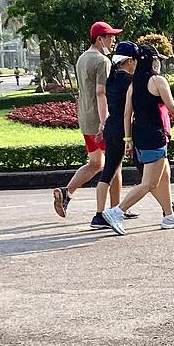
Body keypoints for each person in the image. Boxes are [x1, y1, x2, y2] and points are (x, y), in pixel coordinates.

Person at [102, 44, 174, 235]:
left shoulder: (134, 84)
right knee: (149, 183)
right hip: (154, 136)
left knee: (165, 175)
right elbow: (172, 109)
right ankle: (117, 211)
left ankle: (168, 215)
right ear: (151, 61)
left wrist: (128, 139)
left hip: (140, 134)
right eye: (156, 59)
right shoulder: (158, 81)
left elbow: (127, 115)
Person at [51, 21, 120, 218]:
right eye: (110, 36)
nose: (113, 40)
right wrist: (104, 120)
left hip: (85, 116)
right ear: (100, 39)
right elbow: (101, 92)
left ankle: (66, 192)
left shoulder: (82, 58)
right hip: (99, 118)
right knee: (115, 164)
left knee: (95, 163)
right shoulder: (102, 61)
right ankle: (117, 209)